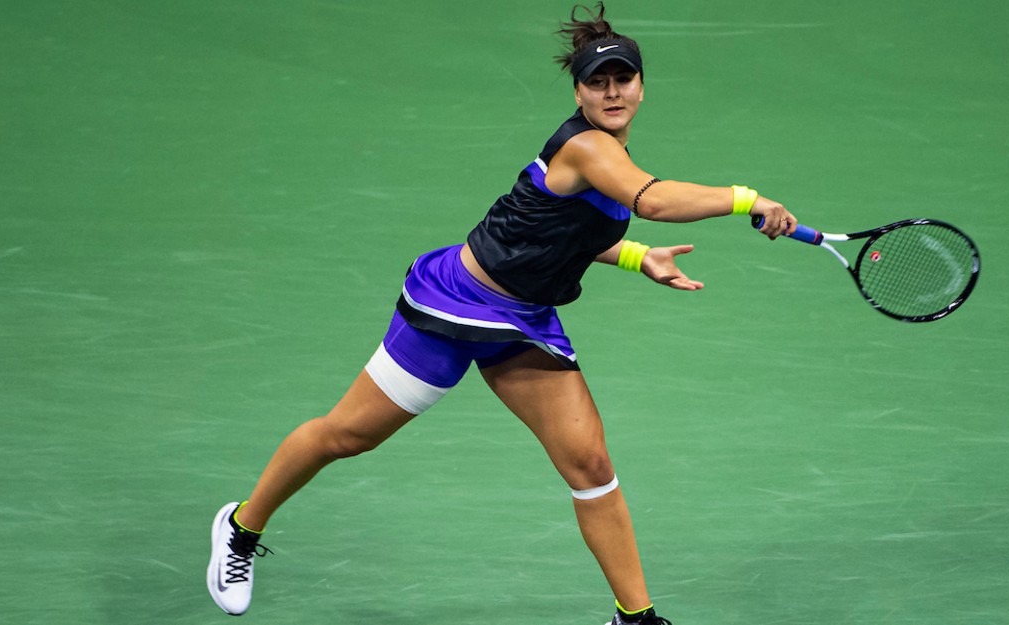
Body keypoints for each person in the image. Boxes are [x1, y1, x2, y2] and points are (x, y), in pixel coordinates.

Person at [206, 3, 797, 623]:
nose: (612, 91)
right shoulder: (590, 147)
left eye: (623, 79)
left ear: (642, 87)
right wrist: (746, 199)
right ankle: (241, 527)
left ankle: (635, 618)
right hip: (455, 306)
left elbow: (557, 234)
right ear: (579, 92)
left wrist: (635, 259)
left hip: (524, 325)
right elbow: (651, 200)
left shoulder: (611, 153)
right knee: (348, 435)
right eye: (598, 82)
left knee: (591, 465)